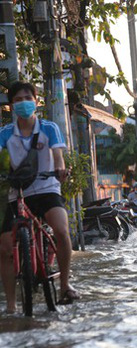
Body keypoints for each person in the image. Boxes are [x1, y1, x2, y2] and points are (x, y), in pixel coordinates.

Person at [0, 81, 79, 310]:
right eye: (17, 100)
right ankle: (12, 304)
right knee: (4, 248)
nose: (23, 103)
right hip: (18, 193)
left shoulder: (49, 127)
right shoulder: (5, 133)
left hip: (47, 188)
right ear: (11, 105)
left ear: (36, 101)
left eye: (27, 98)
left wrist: (61, 169)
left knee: (62, 231)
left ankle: (65, 285)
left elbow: (58, 155)